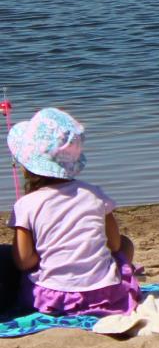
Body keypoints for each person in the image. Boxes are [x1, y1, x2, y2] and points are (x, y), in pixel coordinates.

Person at [8, 107, 141, 317]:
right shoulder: (95, 194)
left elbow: (24, 261)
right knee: (126, 244)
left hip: (50, 299)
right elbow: (114, 244)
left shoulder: (26, 204)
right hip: (103, 294)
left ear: (27, 165)